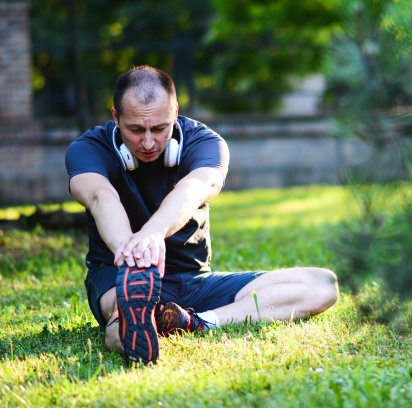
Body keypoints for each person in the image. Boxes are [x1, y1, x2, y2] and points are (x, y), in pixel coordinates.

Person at [65, 66, 339, 364]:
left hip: (191, 282)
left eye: (159, 129)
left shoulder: (204, 142)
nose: (147, 143)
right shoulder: (88, 148)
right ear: (116, 117)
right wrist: (132, 253)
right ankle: (129, 321)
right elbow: (99, 196)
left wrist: (152, 233)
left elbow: (195, 187)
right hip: (120, 277)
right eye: (135, 130)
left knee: (322, 285)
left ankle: (196, 322)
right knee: (123, 318)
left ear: (175, 112)